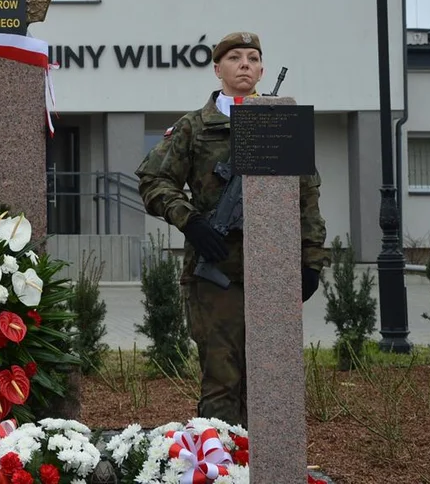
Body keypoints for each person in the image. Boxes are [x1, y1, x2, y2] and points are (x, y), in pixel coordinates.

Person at [135, 31, 328, 428]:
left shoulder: (281, 124)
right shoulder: (194, 127)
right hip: (216, 271)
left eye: (253, 58)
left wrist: (311, 261)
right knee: (222, 378)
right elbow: (154, 182)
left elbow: (306, 196)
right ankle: (224, 463)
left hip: (272, 269)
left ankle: (268, 465)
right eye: (235, 57)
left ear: (262, 69)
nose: (245, 64)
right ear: (217, 68)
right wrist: (191, 221)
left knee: (272, 379)